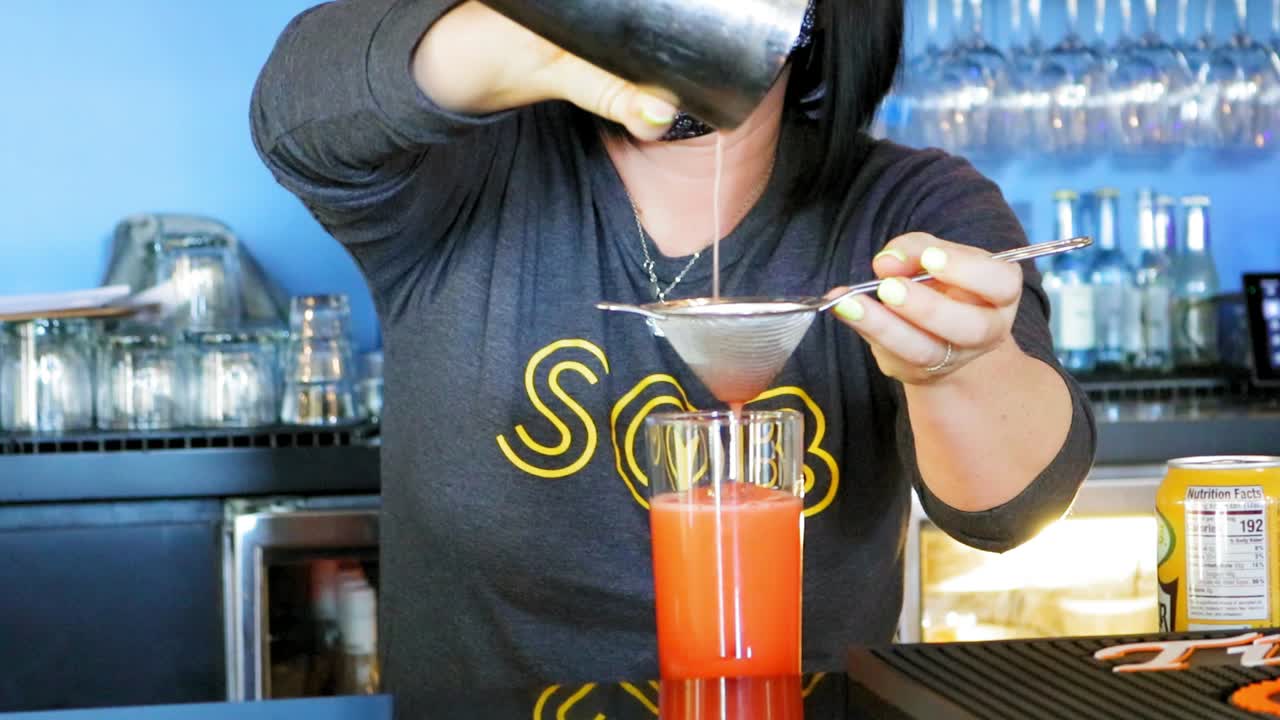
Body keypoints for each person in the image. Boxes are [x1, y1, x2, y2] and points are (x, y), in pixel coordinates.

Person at [251, 0, 1096, 715]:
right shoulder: (459, 180)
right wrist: (567, 33)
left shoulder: (906, 206)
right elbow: (295, 107)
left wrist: (958, 368)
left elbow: (1006, 511)